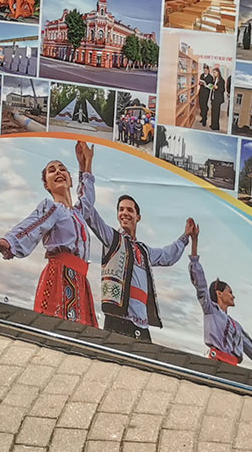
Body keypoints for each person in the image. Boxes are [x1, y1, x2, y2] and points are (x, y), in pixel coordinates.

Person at [73, 142, 190, 343]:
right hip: (117, 318)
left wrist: (186, 236)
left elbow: (168, 256)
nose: (124, 213)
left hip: (141, 324)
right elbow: (88, 211)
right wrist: (85, 167)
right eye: (121, 210)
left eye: (129, 210)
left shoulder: (143, 251)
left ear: (138, 217)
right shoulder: (112, 239)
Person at [0, 148, 98, 326]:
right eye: (52, 170)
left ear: (70, 180)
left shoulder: (79, 213)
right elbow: (35, 223)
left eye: (62, 169)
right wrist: (8, 242)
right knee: (57, 327)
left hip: (81, 280)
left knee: (81, 330)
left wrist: (85, 163)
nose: (58, 172)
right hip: (60, 276)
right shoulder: (52, 208)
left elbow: (87, 196)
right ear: (47, 185)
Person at [188, 232, 252, 374]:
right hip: (214, 363)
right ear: (219, 293)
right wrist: (194, 242)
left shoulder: (236, 326)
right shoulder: (211, 310)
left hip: (231, 368)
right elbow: (200, 284)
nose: (233, 296)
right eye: (230, 292)